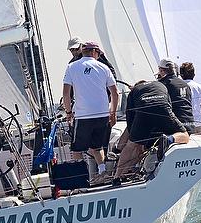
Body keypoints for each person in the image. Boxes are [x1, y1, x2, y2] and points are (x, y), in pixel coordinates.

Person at [62, 41, 119, 181]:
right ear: (94, 52)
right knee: (97, 146)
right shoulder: (104, 67)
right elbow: (115, 93)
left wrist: (69, 113)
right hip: (103, 114)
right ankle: (102, 172)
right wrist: (113, 113)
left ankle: (81, 177)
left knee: (77, 149)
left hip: (83, 115)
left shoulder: (71, 67)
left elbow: (66, 93)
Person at [112, 80, 190, 182]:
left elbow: (130, 118)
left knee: (131, 145)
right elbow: (168, 105)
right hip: (163, 108)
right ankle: (169, 139)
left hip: (144, 110)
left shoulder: (134, 91)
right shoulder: (159, 84)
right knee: (185, 135)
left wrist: (135, 139)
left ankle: (117, 177)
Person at [156, 58, 194, 129]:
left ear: (161, 70)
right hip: (190, 124)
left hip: (176, 126)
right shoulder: (185, 84)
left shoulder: (163, 84)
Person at [179, 62, 201, 132]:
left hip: (181, 125)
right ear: (194, 75)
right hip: (197, 125)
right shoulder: (200, 87)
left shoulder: (176, 86)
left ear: (181, 75)